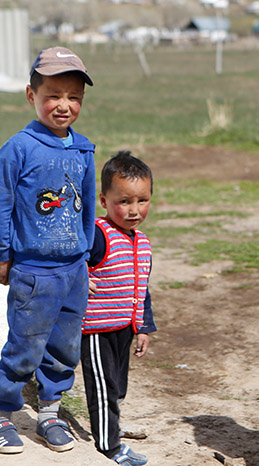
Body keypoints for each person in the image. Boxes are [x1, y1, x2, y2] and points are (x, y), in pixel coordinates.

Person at [0, 46, 96, 454]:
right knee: (25, 346)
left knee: (64, 348)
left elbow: (87, 205)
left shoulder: (83, 149)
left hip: (73, 270)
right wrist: (5, 253)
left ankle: (49, 414)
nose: (63, 105)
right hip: (33, 270)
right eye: (53, 94)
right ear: (31, 96)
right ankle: (0, 418)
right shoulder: (19, 148)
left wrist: (85, 258)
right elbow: (1, 203)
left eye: (74, 97)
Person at [81, 151, 155, 466]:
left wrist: (144, 328)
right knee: (103, 386)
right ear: (104, 200)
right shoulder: (99, 234)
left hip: (125, 327)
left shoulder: (143, 243)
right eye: (124, 201)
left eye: (142, 200)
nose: (134, 210)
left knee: (118, 385)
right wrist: (80, 277)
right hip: (96, 329)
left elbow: (142, 288)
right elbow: (74, 256)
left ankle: (112, 429)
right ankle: (109, 446)